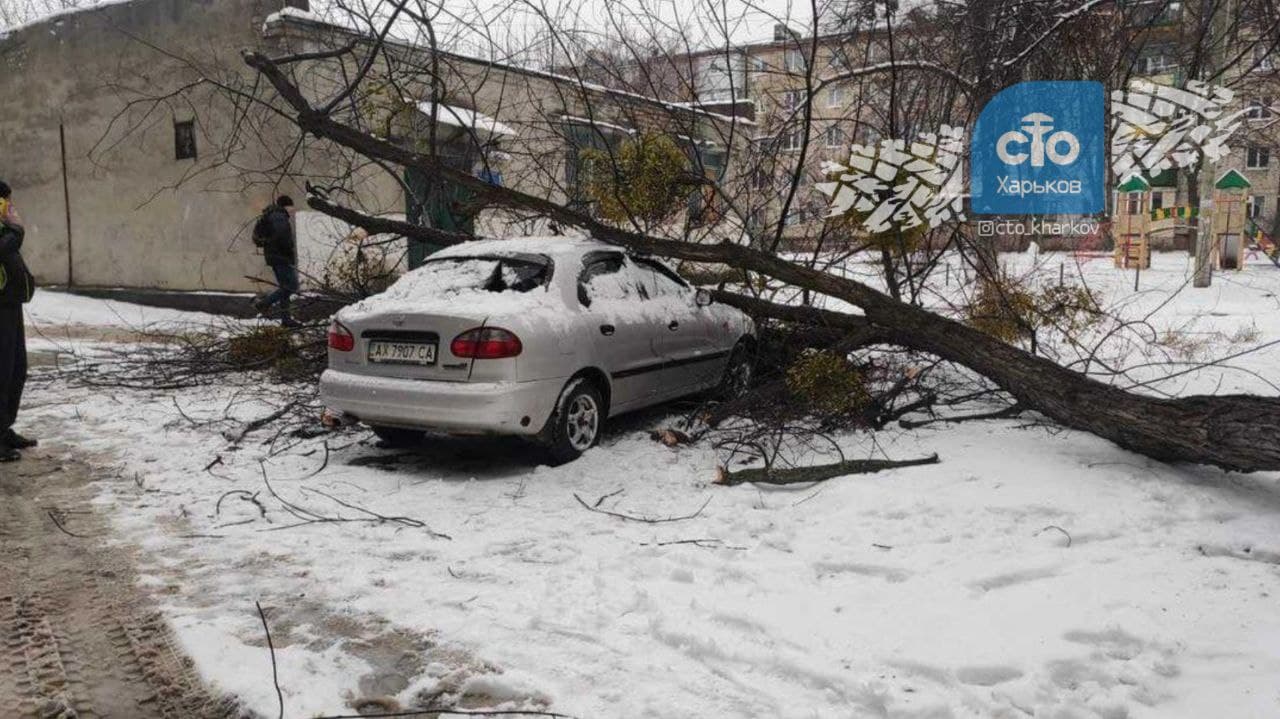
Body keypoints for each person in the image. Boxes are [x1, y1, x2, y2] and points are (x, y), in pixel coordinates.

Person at [0, 181, 36, 463]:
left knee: (16, 369)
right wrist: (15, 229)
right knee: (2, 371)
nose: (9, 207)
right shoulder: (7, 229)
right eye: (5, 201)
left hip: (10, 305)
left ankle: (4, 429)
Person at [252, 195, 301, 328]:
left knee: (285, 288)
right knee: (291, 286)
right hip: (281, 257)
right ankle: (264, 303)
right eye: (291, 207)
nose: (292, 210)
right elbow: (282, 235)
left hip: (274, 257)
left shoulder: (272, 214)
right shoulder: (279, 216)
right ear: (286, 205)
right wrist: (288, 251)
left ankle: (286, 320)